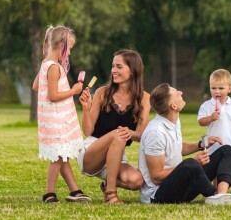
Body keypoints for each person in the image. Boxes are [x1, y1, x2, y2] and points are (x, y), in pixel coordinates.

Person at [139, 83, 231, 205]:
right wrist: (194, 163)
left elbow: (177, 148)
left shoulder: (173, 120)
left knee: (227, 150)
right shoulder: (156, 132)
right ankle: (215, 195)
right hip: (158, 195)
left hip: (181, 185)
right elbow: (156, 176)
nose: (181, 92)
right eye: (176, 93)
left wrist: (201, 144)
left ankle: (222, 194)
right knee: (190, 164)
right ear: (173, 106)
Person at [77, 49, 150, 204]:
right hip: (92, 152)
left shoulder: (145, 98)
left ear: (133, 70)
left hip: (117, 154)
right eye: (113, 66)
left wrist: (130, 132)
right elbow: (88, 131)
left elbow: (141, 135)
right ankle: (111, 194)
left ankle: (106, 184)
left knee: (136, 181)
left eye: (119, 67)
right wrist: (85, 108)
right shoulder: (102, 93)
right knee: (118, 134)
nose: (113, 71)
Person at [34, 25, 90, 203]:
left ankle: (75, 191)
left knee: (63, 155)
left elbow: (36, 86)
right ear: (61, 46)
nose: (70, 54)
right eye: (69, 49)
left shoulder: (46, 64)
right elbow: (52, 95)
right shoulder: (54, 68)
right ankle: (49, 193)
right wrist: (73, 91)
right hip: (56, 120)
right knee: (58, 157)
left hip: (53, 119)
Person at [197, 69, 231, 192]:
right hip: (214, 146)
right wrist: (210, 118)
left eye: (221, 88)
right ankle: (217, 191)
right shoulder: (206, 105)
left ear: (229, 89)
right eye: (213, 88)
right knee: (217, 169)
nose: (217, 91)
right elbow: (201, 122)